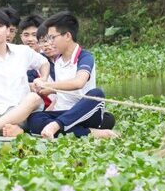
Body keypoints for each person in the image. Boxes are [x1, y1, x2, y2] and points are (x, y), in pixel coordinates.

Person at [24, 12, 117, 140]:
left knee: (97, 94)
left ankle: (56, 126)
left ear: (67, 36)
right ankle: (91, 133)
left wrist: (48, 85)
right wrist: (39, 87)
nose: (49, 43)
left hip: (84, 112)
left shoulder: (85, 57)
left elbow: (78, 82)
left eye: (52, 37)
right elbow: (54, 91)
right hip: (63, 112)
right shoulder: (58, 60)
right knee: (34, 119)